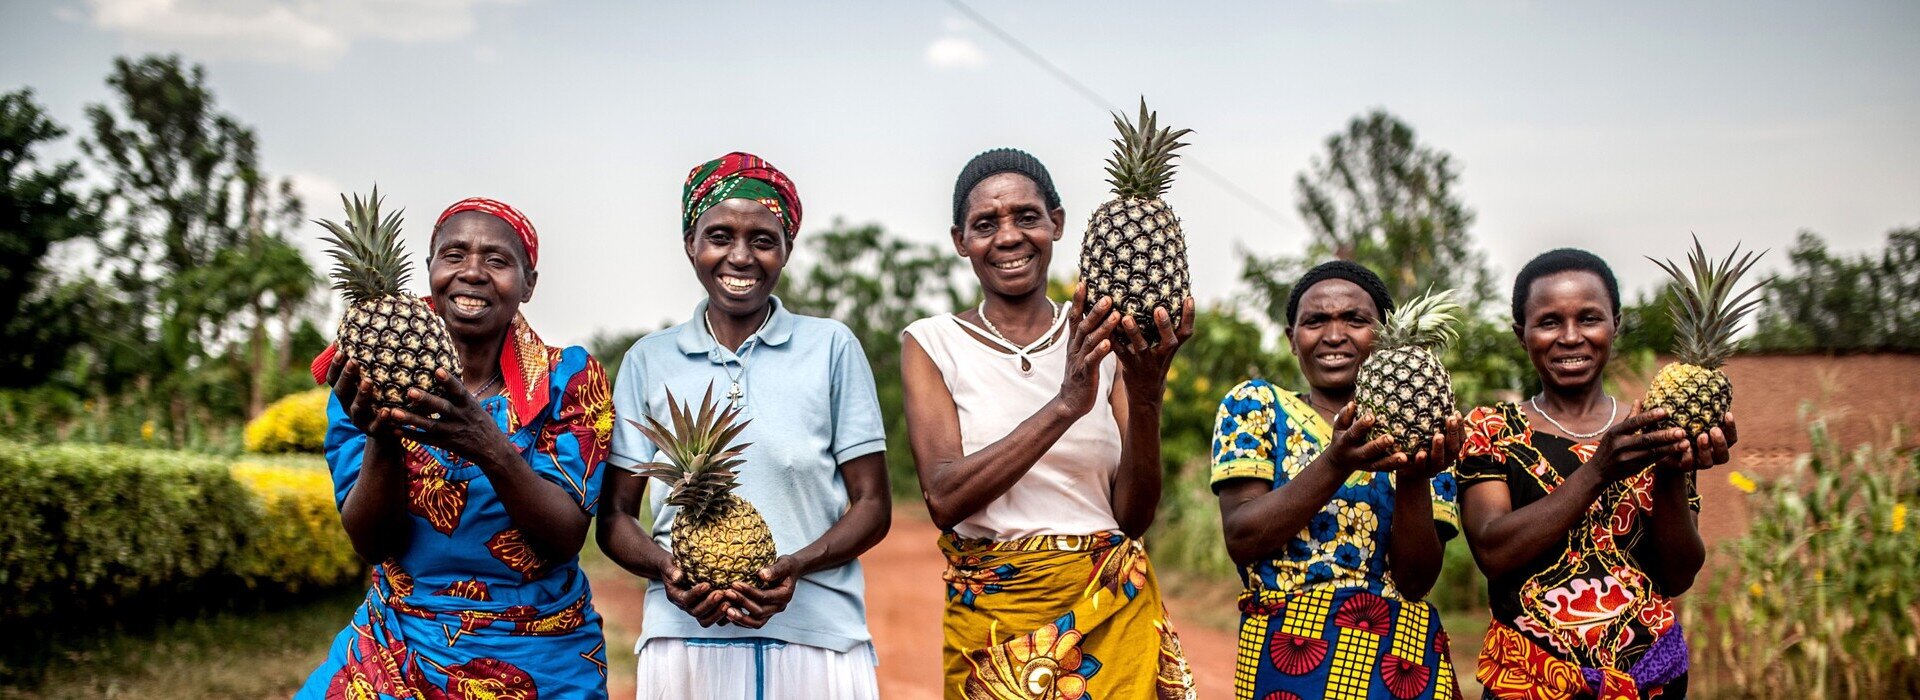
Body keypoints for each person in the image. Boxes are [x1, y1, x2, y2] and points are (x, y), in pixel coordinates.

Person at [901, 147, 1197, 698]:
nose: (1008, 236)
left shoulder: (1106, 335)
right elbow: (943, 497)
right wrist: (1065, 405)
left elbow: (1134, 517)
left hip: (1112, 614)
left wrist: (1148, 393)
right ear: (960, 241)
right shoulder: (932, 343)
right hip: (994, 629)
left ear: (1056, 224)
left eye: (1027, 217)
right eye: (985, 224)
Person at [598, 152, 891, 699]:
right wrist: (667, 568)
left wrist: (798, 565)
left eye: (762, 239)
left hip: (819, 638)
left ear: (786, 250)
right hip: (683, 638)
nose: (740, 256)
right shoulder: (648, 360)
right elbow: (615, 517)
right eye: (719, 236)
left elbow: (873, 505)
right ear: (691, 243)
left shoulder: (831, 348)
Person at [298, 197, 611, 699]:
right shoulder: (362, 375)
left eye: (497, 260)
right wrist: (383, 434)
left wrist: (485, 443)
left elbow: (564, 536)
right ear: (429, 271)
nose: (472, 272)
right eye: (454, 255)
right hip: (397, 638)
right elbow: (372, 544)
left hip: (535, 648)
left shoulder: (568, 378)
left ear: (528, 283)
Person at [1460, 249, 1734, 699]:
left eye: (1589, 318)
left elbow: (1679, 575)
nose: (1571, 337)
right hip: (1528, 684)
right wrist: (1599, 470)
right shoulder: (1492, 429)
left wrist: (1669, 472)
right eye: (1549, 322)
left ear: (1615, 325)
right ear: (1520, 334)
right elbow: (1493, 549)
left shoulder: (1654, 425)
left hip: (1649, 681)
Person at [1210, 260, 1466, 700]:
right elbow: (1243, 536)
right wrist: (1337, 462)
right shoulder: (1256, 405)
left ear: (1383, 334)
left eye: (1355, 319)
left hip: (1400, 661)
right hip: (1290, 658)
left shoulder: (1429, 425)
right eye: (1315, 321)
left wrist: (1411, 475)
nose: (1333, 335)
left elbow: (1416, 581)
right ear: (1292, 339)